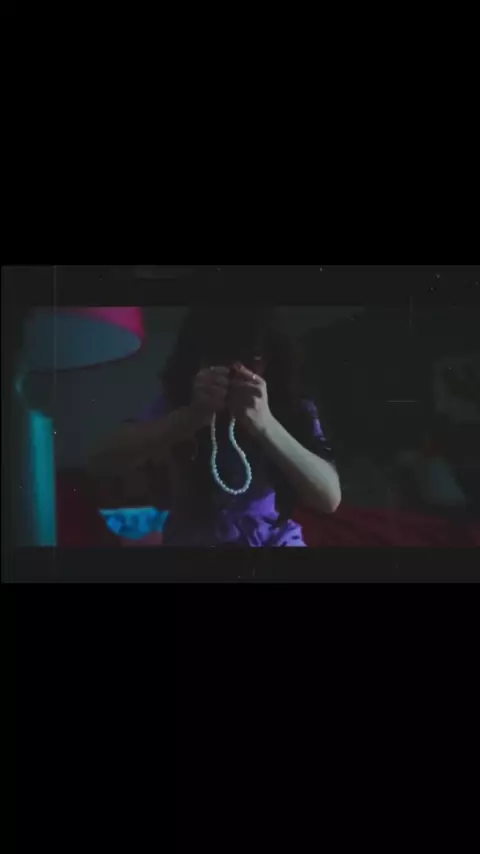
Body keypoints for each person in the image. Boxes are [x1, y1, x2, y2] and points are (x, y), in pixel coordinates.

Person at [88, 304, 341, 547]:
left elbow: (329, 498)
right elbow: (101, 461)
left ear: (270, 360)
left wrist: (265, 425)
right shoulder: (176, 403)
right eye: (221, 359)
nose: (235, 371)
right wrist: (189, 418)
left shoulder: (294, 407)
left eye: (251, 359)